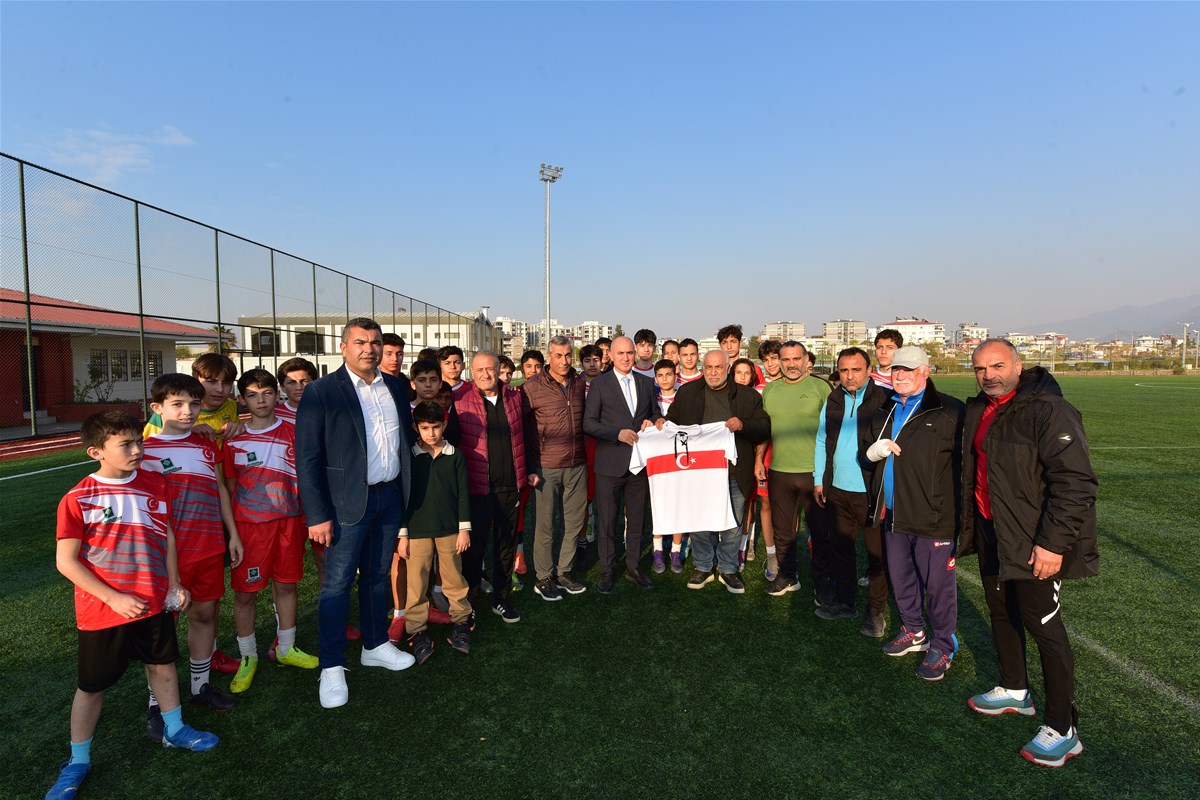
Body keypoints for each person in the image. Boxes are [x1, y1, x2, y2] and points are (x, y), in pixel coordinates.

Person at [47, 412, 217, 800]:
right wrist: (113, 597)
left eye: (138, 440)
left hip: (153, 601)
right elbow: (66, 562)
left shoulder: (155, 483)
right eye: (125, 444)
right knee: (92, 686)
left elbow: (166, 534)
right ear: (96, 452)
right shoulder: (78, 498)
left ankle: (175, 729)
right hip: (103, 610)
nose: (137, 449)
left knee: (162, 665)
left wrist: (173, 582)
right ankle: (77, 761)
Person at [960, 339, 1098, 767]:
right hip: (993, 532)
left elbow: (1075, 483)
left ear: (1018, 366)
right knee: (1002, 611)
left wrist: (1052, 543)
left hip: (1033, 539)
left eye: (997, 366)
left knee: (1044, 627)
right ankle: (1015, 689)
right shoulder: (981, 409)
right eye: (980, 369)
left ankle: (1063, 727)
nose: (988, 375)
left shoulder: (1050, 410)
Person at [295, 317, 417, 710]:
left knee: (377, 576)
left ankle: (375, 644)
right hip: (344, 505)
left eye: (375, 342)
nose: (370, 349)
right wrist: (317, 515)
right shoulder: (321, 391)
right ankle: (331, 665)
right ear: (344, 347)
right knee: (337, 584)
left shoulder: (395, 386)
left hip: (389, 497)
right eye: (361, 342)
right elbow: (307, 459)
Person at [141, 374, 244, 732]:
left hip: (209, 546)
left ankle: (200, 687)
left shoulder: (205, 444)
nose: (188, 411)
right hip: (167, 555)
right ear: (157, 408)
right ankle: (156, 703)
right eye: (177, 404)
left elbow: (219, 490)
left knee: (204, 615)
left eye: (194, 404)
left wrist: (232, 534)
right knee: (163, 627)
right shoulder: (145, 451)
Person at [862, 346, 964, 682]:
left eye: (908, 369)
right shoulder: (886, 408)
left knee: (938, 587)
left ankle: (943, 645)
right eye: (896, 369)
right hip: (894, 511)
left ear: (926, 371)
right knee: (902, 578)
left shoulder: (950, 410)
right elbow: (866, 456)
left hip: (934, 516)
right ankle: (913, 630)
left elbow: (968, 464)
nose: (900, 375)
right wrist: (872, 453)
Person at [222, 369, 320, 693]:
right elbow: (232, 488)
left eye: (266, 393)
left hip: (289, 523)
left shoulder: (293, 432)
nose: (261, 400)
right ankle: (248, 657)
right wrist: (234, 533)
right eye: (252, 395)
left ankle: (286, 648)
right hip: (251, 529)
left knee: (288, 586)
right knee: (245, 593)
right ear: (242, 399)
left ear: (276, 395)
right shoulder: (233, 439)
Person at [667, 350, 770, 593]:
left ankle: (728, 569)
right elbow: (672, 421)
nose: (713, 372)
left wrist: (743, 425)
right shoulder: (688, 392)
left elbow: (764, 427)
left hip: (735, 471)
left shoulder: (747, 396)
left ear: (728, 369)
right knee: (699, 521)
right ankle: (703, 566)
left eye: (718, 368)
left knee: (733, 524)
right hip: (698, 472)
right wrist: (661, 422)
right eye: (709, 367)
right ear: (703, 368)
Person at [812, 348, 890, 635]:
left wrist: (887, 491)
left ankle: (875, 612)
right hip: (837, 489)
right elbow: (821, 440)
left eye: (856, 369)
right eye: (844, 370)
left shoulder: (885, 400)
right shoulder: (834, 399)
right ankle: (846, 603)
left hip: (871, 492)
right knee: (842, 550)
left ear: (868, 370)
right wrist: (819, 480)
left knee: (876, 556)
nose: (849, 376)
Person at [452, 351, 530, 621]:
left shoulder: (515, 398)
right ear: (471, 373)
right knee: (474, 549)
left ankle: (501, 597)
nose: (485, 374)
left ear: (499, 370)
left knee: (506, 545)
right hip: (476, 488)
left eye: (490, 369)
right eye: (479, 370)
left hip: (509, 486)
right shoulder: (460, 401)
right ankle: (470, 601)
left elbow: (527, 436)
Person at [584, 335, 663, 593]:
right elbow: (589, 423)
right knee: (608, 522)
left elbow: (654, 412)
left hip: (639, 465)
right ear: (612, 355)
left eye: (629, 353)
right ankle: (607, 571)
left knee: (637, 520)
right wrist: (616, 433)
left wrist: (655, 420)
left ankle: (633, 566)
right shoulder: (600, 384)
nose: (626, 357)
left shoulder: (645, 382)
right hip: (609, 464)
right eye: (621, 353)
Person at [399, 401, 474, 663]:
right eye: (425, 428)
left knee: (454, 578)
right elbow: (403, 498)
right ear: (415, 428)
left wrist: (464, 530)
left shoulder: (456, 456)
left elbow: (463, 495)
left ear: (444, 425)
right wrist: (403, 534)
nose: (431, 433)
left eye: (436, 427)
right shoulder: (408, 458)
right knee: (417, 583)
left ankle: (461, 621)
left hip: (450, 530)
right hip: (417, 531)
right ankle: (416, 630)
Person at [760, 341, 831, 597]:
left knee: (820, 531)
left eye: (796, 359)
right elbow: (765, 430)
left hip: (814, 471)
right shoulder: (770, 390)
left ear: (806, 360)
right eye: (786, 359)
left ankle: (823, 582)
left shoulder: (821, 388)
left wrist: (827, 469)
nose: (791, 364)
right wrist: (759, 460)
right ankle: (788, 576)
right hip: (779, 470)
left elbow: (832, 430)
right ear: (779, 362)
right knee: (782, 530)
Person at [522, 336, 590, 600]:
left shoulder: (579, 382)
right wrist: (530, 467)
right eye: (558, 355)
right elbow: (522, 430)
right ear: (549, 356)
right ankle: (543, 576)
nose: (564, 360)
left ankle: (564, 571)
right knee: (545, 526)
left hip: (577, 464)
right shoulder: (532, 387)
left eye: (568, 355)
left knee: (573, 523)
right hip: (546, 466)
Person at [142, 352, 243, 441]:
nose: (220, 389)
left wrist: (238, 428)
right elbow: (146, 447)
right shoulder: (167, 413)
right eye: (211, 382)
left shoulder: (231, 405)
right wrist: (186, 432)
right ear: (196, 380)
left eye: (227, 383)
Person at [650, 359, 683, 573]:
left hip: (679, 458)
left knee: (679, 503)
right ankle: (658, 550)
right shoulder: (651, 399)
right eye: (660, 375)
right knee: (658, 504)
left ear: (675, 376)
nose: (665, 379)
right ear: (655, 378)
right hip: (658, 459)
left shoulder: (683, 398)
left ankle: (676, 550)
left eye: (668, 374)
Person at [273, 357, 317, 425]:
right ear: (282, 387)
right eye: (291, 382)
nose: (299, 387)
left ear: (315, 383)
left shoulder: (328, 412)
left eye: (304, 381)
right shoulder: (273, 414)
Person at [380, 333, 413, 400]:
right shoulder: (372, 384)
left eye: (399, 354)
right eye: (389, 354)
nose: (395, 359)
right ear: (379, 354)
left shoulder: (411, 386)